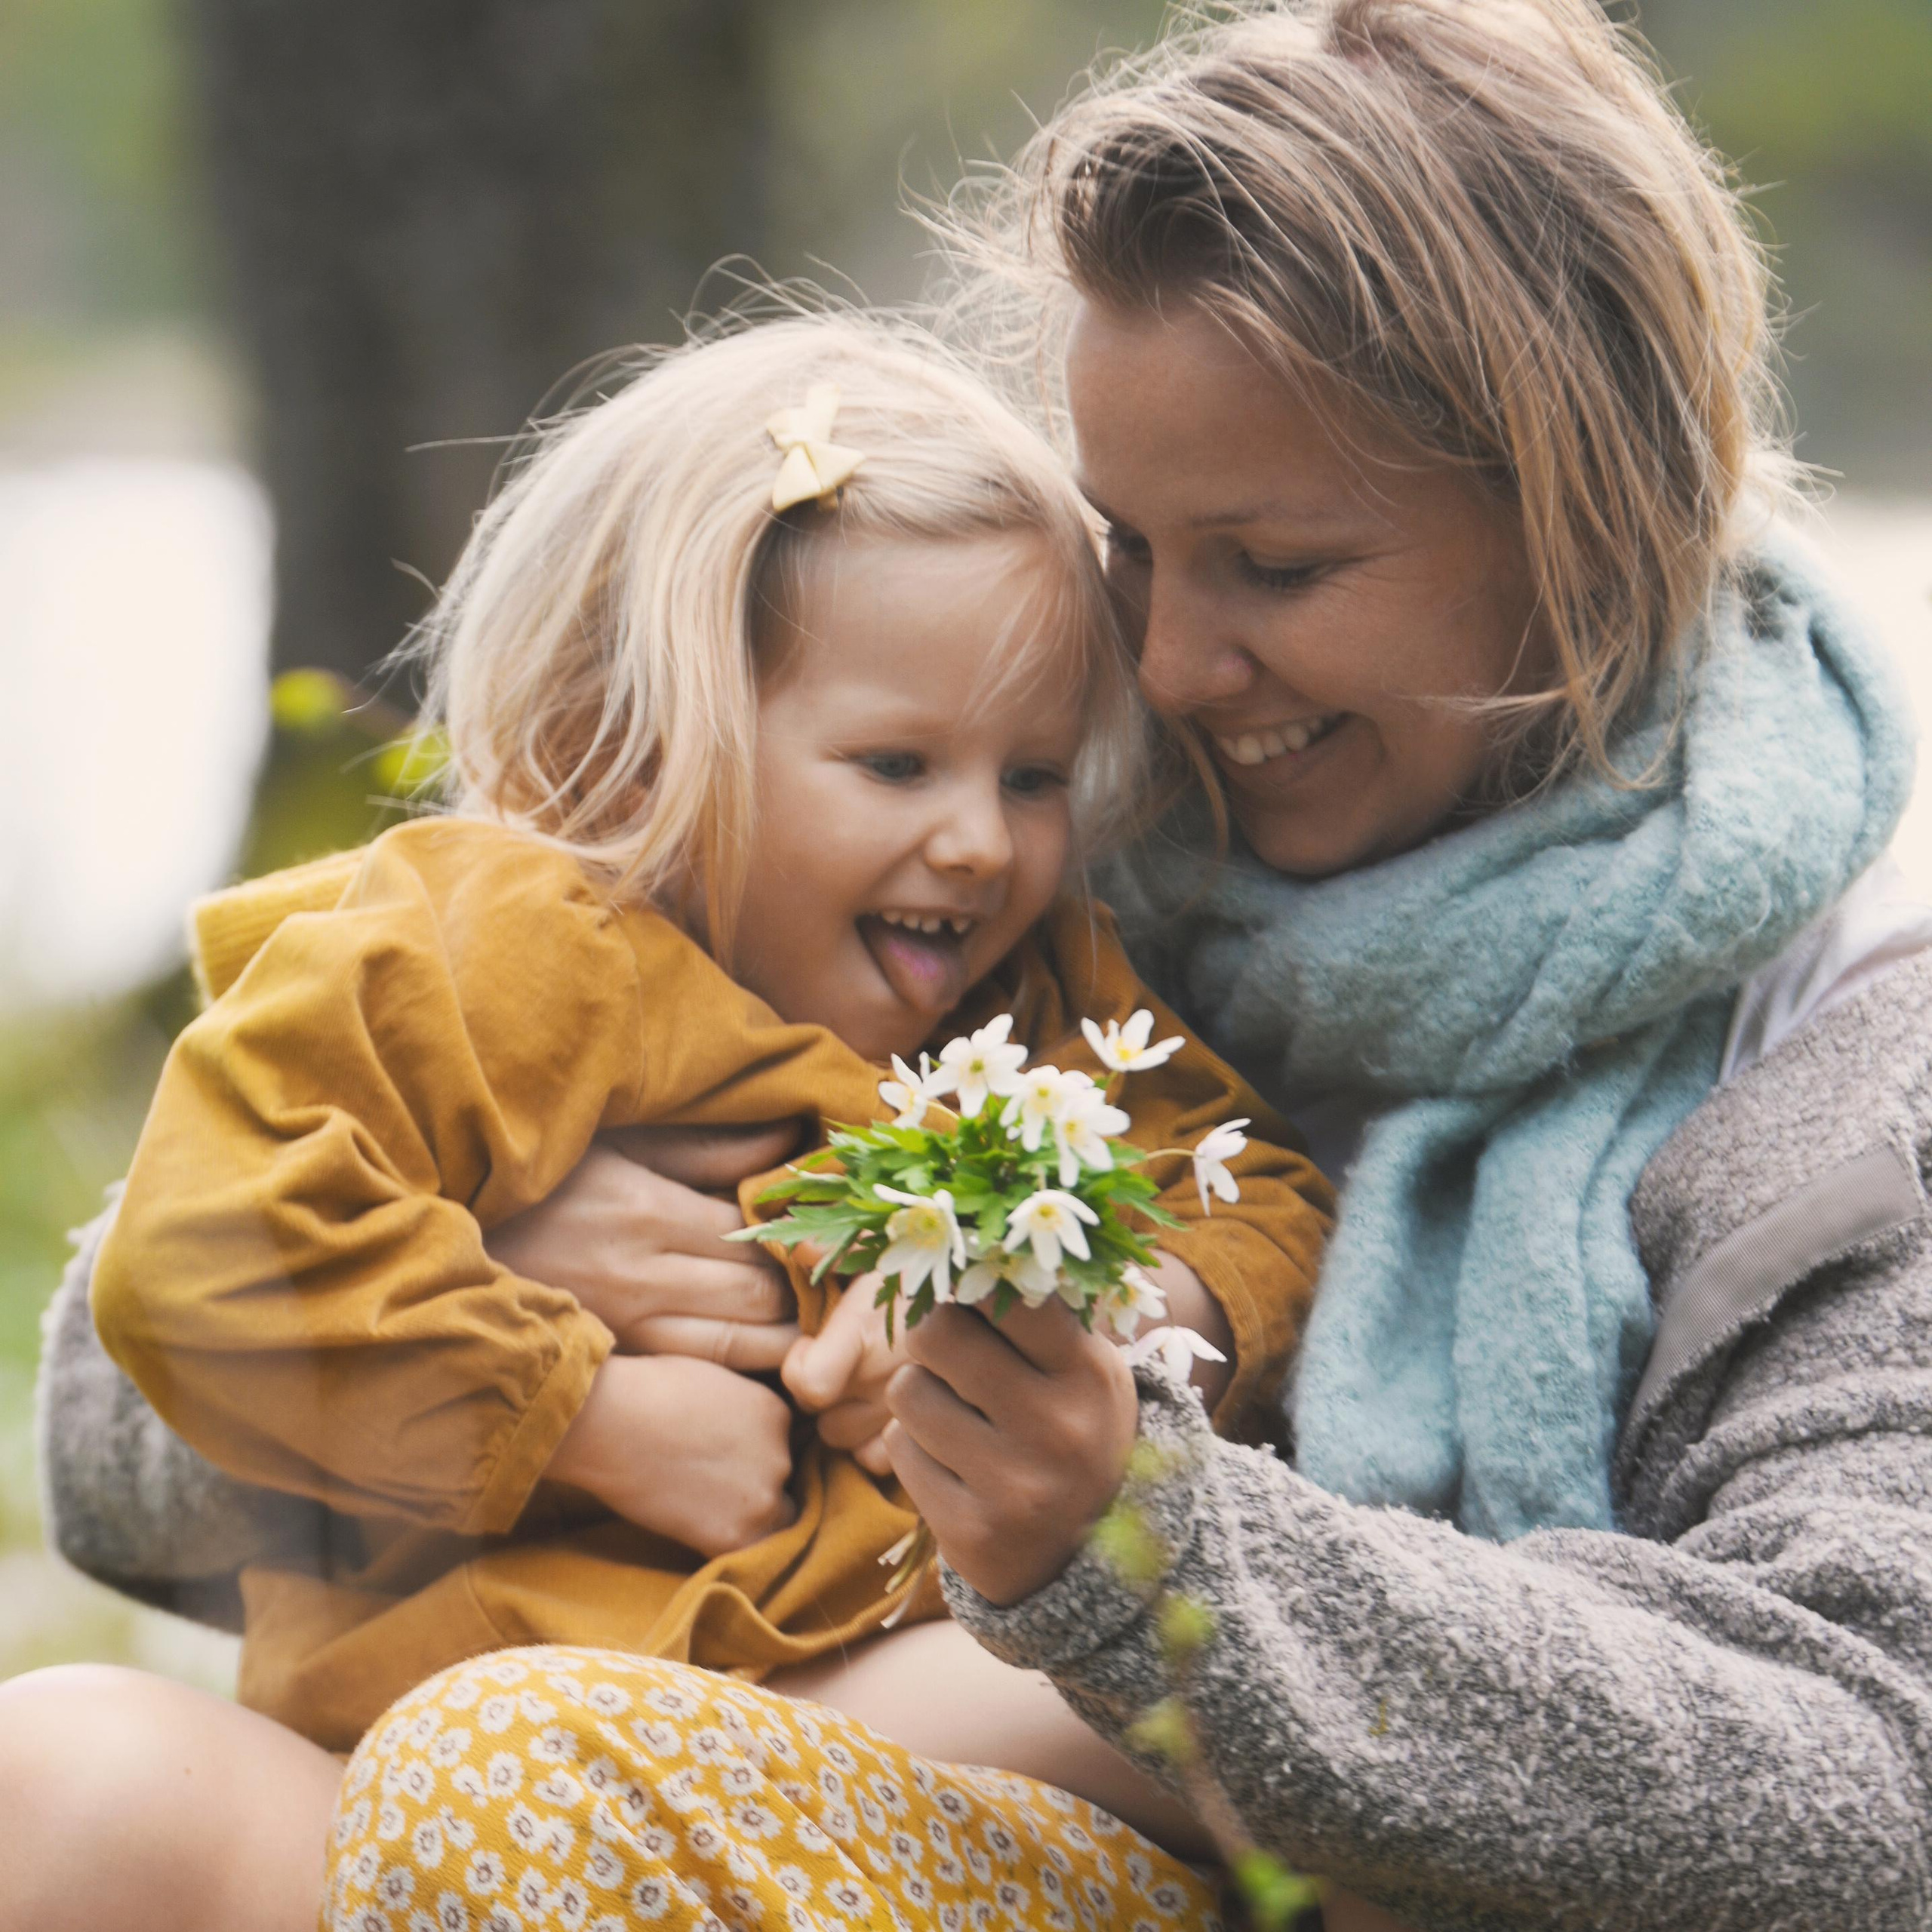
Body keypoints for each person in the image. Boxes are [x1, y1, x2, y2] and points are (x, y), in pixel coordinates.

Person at [21, 2, 1928, 1928]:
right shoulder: (990, 830)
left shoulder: (1838, 1038)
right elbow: (123, 1436)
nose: (1170, 670)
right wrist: (532, 1290)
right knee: (76, 1786)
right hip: (638, 1687)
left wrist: (1129, 1502)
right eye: (1129, 549)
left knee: (514, 1770)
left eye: (1274, 566)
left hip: (1241, 1826)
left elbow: (1869, 1782)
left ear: (1591, 516)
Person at [7, 310, 1331, 1932]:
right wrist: (568, 1407)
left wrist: (1105, 1318)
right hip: (449, 1733)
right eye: (896, 761)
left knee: (1163, 1703)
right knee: (49, 1776)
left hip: (866, 1711)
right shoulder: (494, 950)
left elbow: (1254, 1193)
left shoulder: (1036, 1001)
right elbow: (206, 1248)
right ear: (629, 737)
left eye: (1035, 777)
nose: (979, 840)